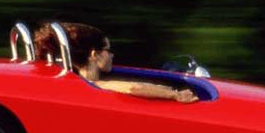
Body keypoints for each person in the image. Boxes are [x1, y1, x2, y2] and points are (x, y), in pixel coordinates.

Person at [33, 22, 198, 103]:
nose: (112, 55)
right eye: (107, 50)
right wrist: (175, 95)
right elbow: (132, 88)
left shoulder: (84, 80)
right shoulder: (93, 83)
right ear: (94, 55)